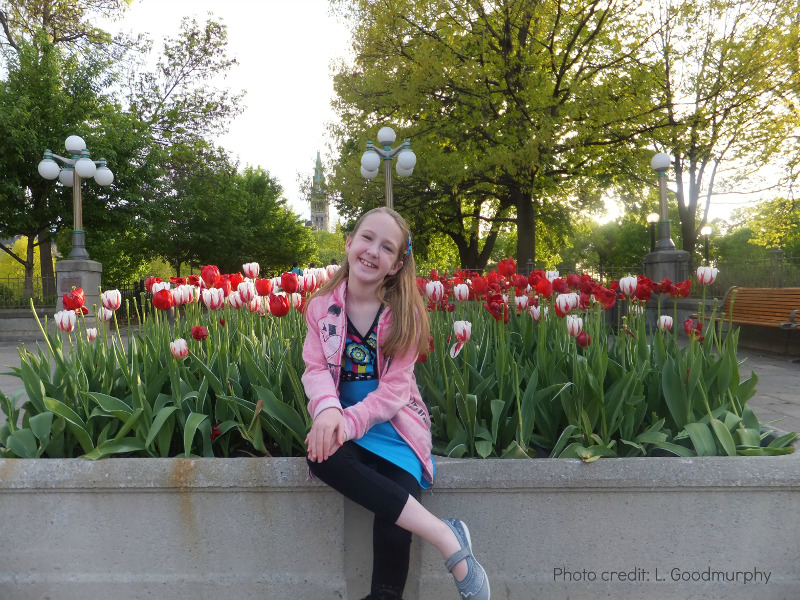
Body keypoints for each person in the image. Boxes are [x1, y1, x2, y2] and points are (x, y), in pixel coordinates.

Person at [302, 207, 490, 600]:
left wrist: (346, 422)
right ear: (349, 242)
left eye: (387, 247)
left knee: (393, 524)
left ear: (396, 264)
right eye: (367, 238)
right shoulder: (321, 308)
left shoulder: (404, 316)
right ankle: (445, 534)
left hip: (396, 433)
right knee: (321, 457)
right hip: (345, 424)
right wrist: (328, 410)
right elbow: (315, 368)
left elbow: (393, 393)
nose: (373, 251)